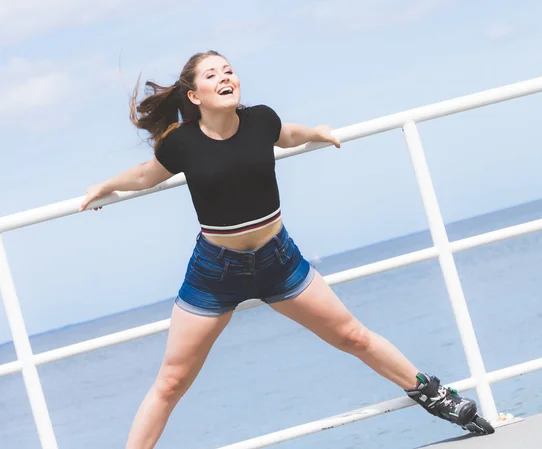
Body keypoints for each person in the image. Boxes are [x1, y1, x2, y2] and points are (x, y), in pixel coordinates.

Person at [80, 51, 482, 449]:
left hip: (279, 260)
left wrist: (316, 132)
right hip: (215, 273)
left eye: (229, 70)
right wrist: (105, 187)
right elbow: (147, 175)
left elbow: (286, 135)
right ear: (194, 96)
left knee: (353, 337)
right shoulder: (181, 143)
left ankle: (435, 395)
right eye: (212, 74)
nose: (225, 77)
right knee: (171, 381)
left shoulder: (260, 120)